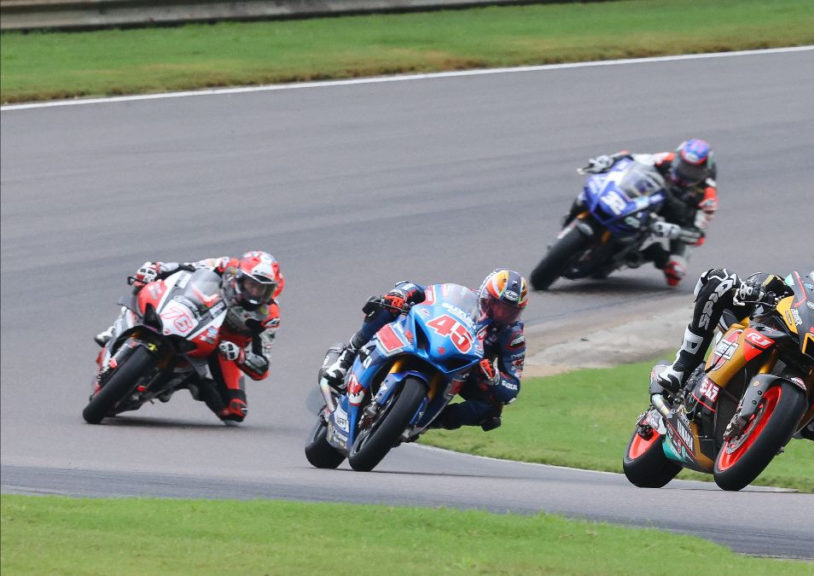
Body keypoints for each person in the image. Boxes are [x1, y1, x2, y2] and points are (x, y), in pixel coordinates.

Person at [655, 262, 814, 450]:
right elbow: (799, 285)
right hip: (786, 330)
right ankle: (682, 368)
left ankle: (777, 427)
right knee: (719, 281)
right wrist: (759, 287)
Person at [318, 269, 528, 432]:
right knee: (384, 305)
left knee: (492, 410)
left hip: (465, 367)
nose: (501, 313)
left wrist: (495, 378)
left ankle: (431, 421)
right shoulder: (461, 296)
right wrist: (399, 294)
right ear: (484, 295)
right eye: (497, 305)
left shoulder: (512, 336)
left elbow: (512, 388)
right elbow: (420, 290)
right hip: (432, 340)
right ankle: (346, 359)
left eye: (510, 311)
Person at [93, 251, 284, 423]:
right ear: (240, 276)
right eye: (252, 285)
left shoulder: (269, 316)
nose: (255, 293)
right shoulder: (227, 265)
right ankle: (119, 326)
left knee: (235, 410)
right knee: (147, 284)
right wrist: (157, 268)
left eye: (263, 289)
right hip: (198, 311)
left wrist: (239, 355)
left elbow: (262, 367)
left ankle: (192, 380)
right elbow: (189, 267)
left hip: (221, 348)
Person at [567, 138, 719, 286]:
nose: (685, 172)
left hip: (676, 219)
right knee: (591, 192)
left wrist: (675, 231)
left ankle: (651, 253)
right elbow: (633, 159)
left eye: (693, 170)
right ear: (678, 158)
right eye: (683, 165)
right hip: (652, 195)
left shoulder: (707, 197)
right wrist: (609, 160)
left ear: (704, 171)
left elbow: (698, 235)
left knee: (675, 273)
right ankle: (571, 220)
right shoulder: (666, 159)